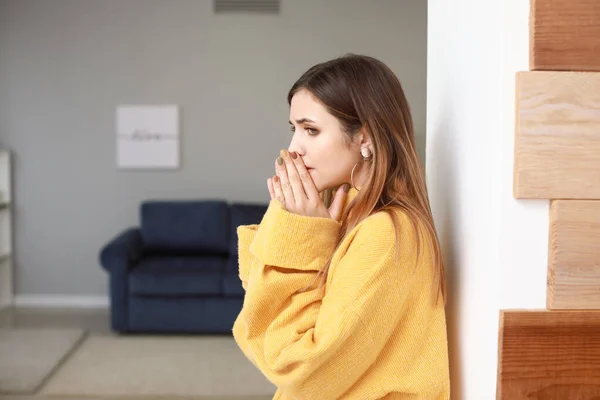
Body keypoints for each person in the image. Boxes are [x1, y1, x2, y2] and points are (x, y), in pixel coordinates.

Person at [232, 54, 450, 400]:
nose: (293, 149)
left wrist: (300, 236)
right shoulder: (345, 216)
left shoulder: (387, 232)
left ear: (365, 138)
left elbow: (295, 365)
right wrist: (291, 222)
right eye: (294, 129)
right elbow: (260, 311)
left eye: (311, 130)